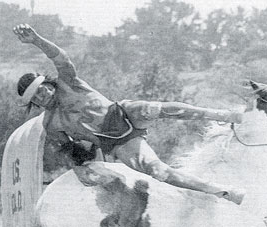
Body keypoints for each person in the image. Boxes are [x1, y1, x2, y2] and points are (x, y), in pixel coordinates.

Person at [13, 24, 244, 204]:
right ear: (35, 103)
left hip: (122, 112)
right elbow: (70, 153)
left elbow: (61, 58)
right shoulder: (51, 124)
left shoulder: (68, 82)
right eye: (37, 96)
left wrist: (36, 41)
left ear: (47, 83)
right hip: (116, 144)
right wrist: (83, 170)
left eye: (42, 88)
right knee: (159, 172)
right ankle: (221, 191)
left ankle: (224, 115)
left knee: (157, 108)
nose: (42, 95)